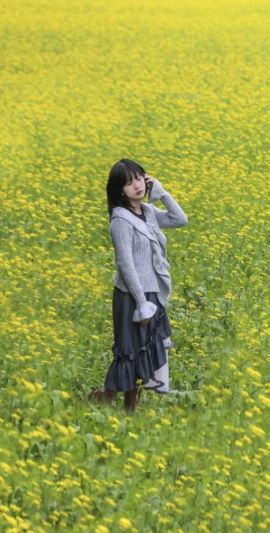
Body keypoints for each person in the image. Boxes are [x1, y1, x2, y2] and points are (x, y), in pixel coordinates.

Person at [88, 159, 188, 413]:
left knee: (145, 351)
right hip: (132, 296)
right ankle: (109, 398)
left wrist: (162, 193)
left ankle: (124, 406)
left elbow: (180, 219)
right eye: (129, 182)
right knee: (129, 350)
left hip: (153, 292)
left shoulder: (149, 213)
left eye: (140, 178)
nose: (136, 186)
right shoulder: (120, 220)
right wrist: (141, 302)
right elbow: (125, 263)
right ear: (119, 190)